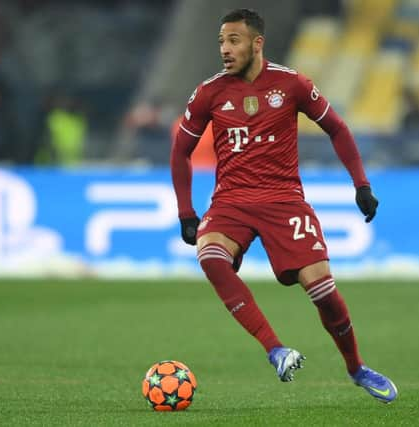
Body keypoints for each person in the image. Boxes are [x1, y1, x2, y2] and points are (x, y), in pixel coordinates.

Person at [170, 9, 397, 404]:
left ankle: (357, 368)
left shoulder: (291, 84)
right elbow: (180, 152)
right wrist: (186, 212)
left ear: (257, 43)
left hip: (284, 200)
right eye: (221, 41)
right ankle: (276, 349)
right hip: (232, 201)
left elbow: (337, 129)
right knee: (210, 256)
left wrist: (361, 184)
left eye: (234, 41)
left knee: (323, 291)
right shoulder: (209, 91)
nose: (225, 49)